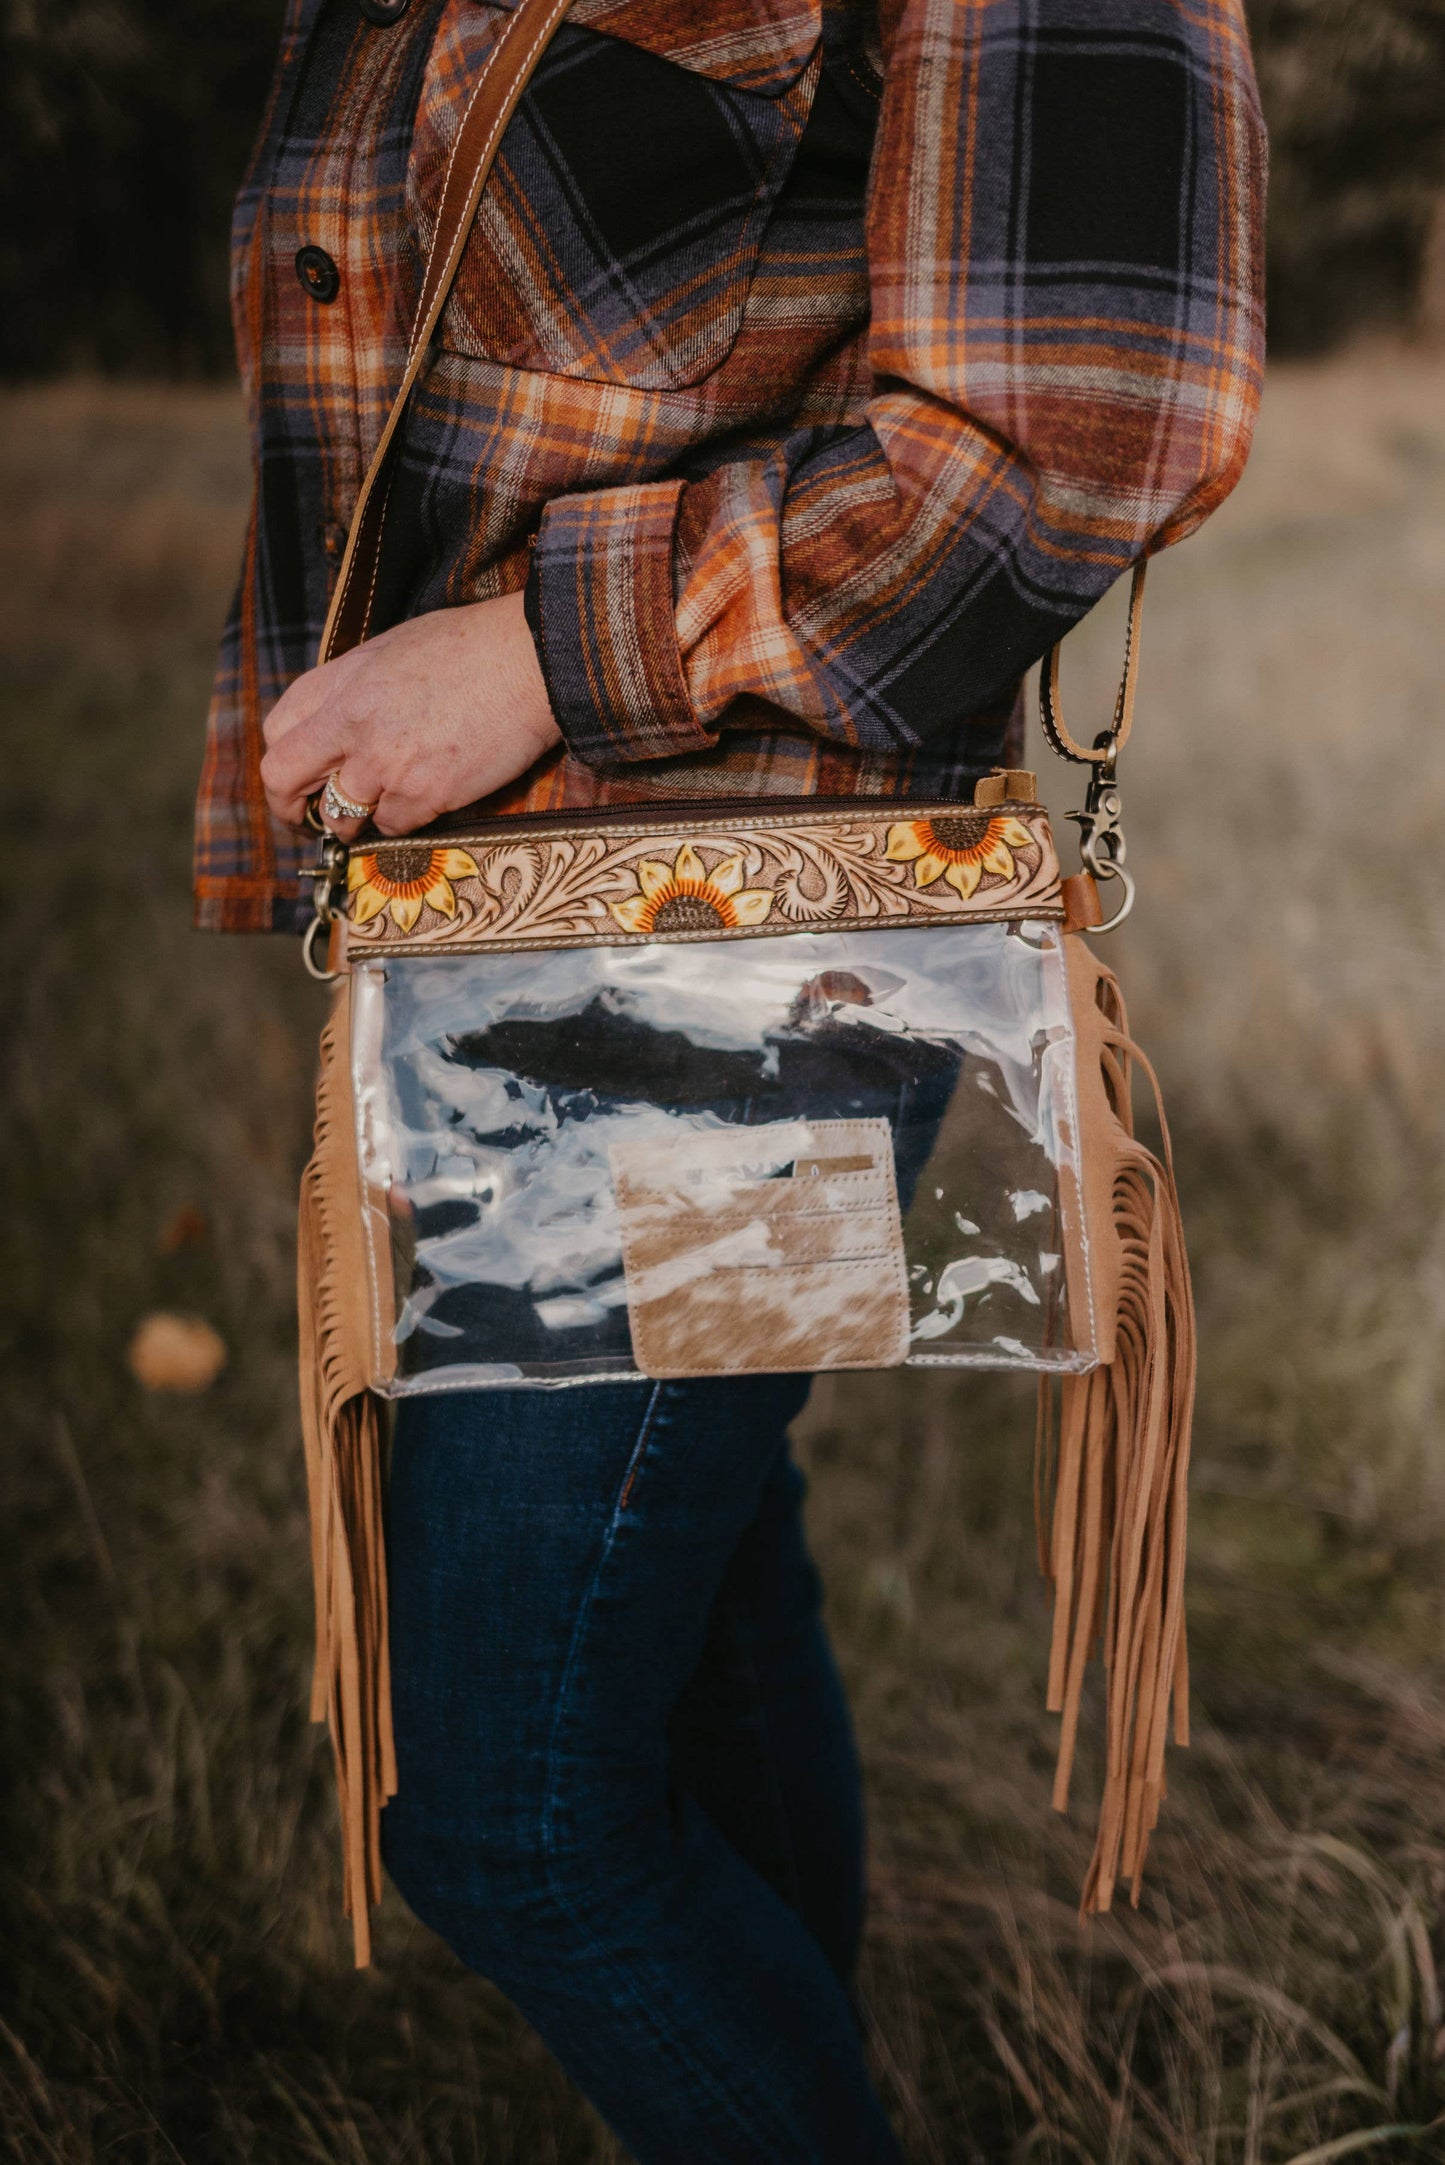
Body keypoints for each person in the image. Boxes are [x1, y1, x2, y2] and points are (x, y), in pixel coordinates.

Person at [195, 1, 1265, 2156]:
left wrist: (535, 653)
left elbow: (1089, 416)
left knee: (508, 1812)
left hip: (747, 944)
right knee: (687, 1620)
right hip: (514, 929)